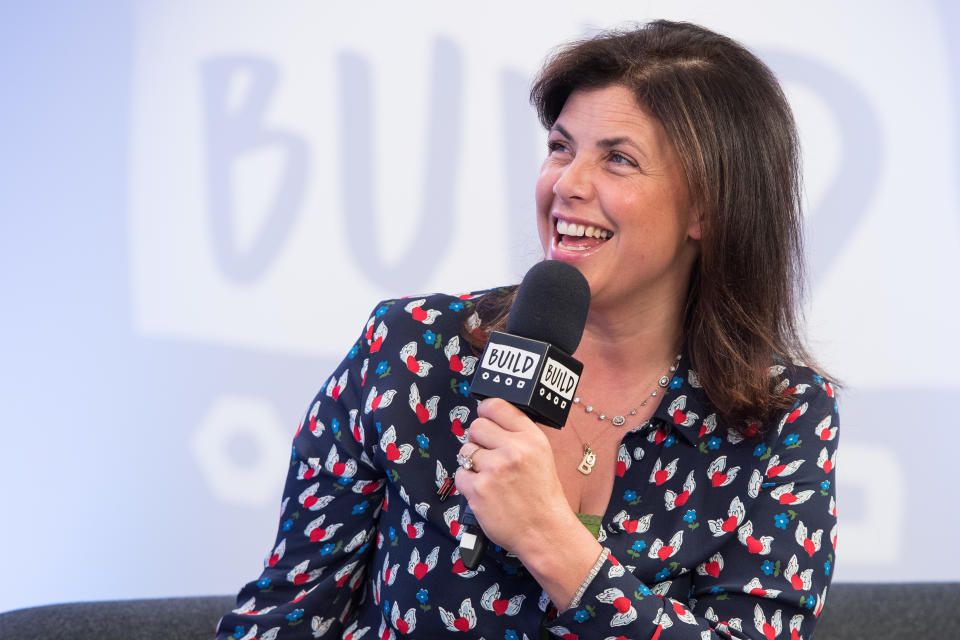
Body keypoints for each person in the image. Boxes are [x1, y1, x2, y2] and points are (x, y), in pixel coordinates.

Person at [215, 20, 838, 640]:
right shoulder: (410, 350)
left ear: (708, 206)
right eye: (561, 147)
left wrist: (550, 538)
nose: (566, 184)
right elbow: (285, 616)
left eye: (617, 159)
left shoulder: (783, 416)